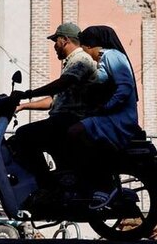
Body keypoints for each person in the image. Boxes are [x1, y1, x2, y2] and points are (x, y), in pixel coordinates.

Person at [7, 22, 97, 188]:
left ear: (64, 40)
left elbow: (62, 84)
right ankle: (57, 187)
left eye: (56, 41)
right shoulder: (71, 63)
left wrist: (28, 93)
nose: (55, 46)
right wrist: (23, 106)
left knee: (23, 135)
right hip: (63, 120)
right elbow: (54, 99)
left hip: (70, 121)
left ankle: (44, 185)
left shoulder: (80, 60)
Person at [66, 25, 141, 209]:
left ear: (91, 45)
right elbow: (97, 80)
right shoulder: (103, 60)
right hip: (111, 116)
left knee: (75, 132)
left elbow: (124, 87)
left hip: (119, 118)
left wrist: (105, 108)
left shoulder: (111, 56)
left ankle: (103, 185)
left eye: (83, 47)